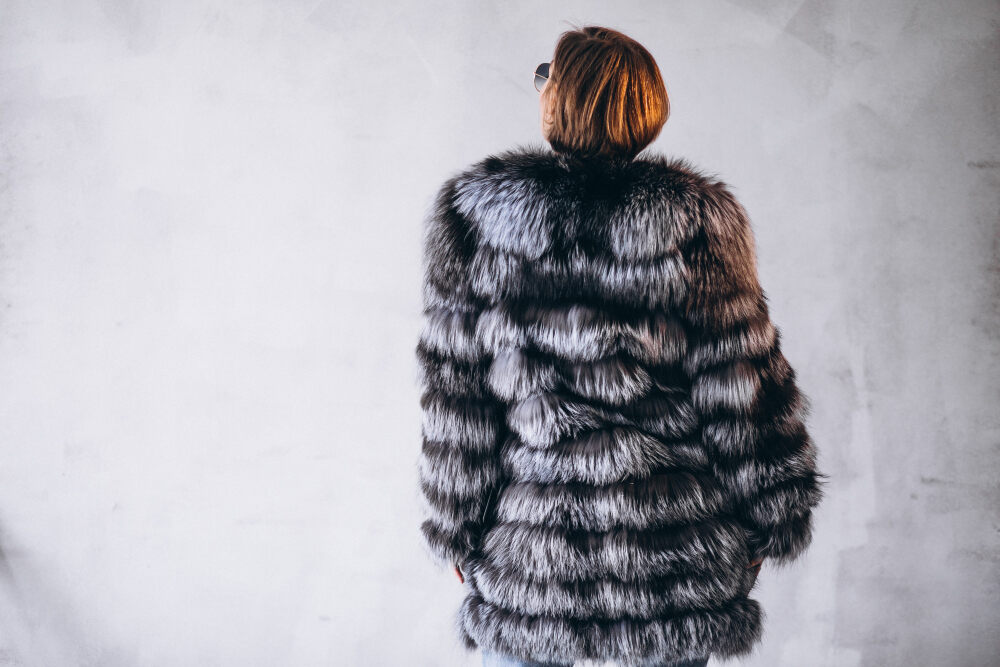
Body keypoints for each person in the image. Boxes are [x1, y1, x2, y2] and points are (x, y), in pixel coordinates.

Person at [415, 25, 823, 667]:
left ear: (562, 100)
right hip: (672, 553)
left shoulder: (475, 218)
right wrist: (775, 512)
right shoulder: (698, 219)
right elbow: (742, 385)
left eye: (547, 75)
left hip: (536, 554)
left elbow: (456, 398)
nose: (540, 86)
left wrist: (455, 525)